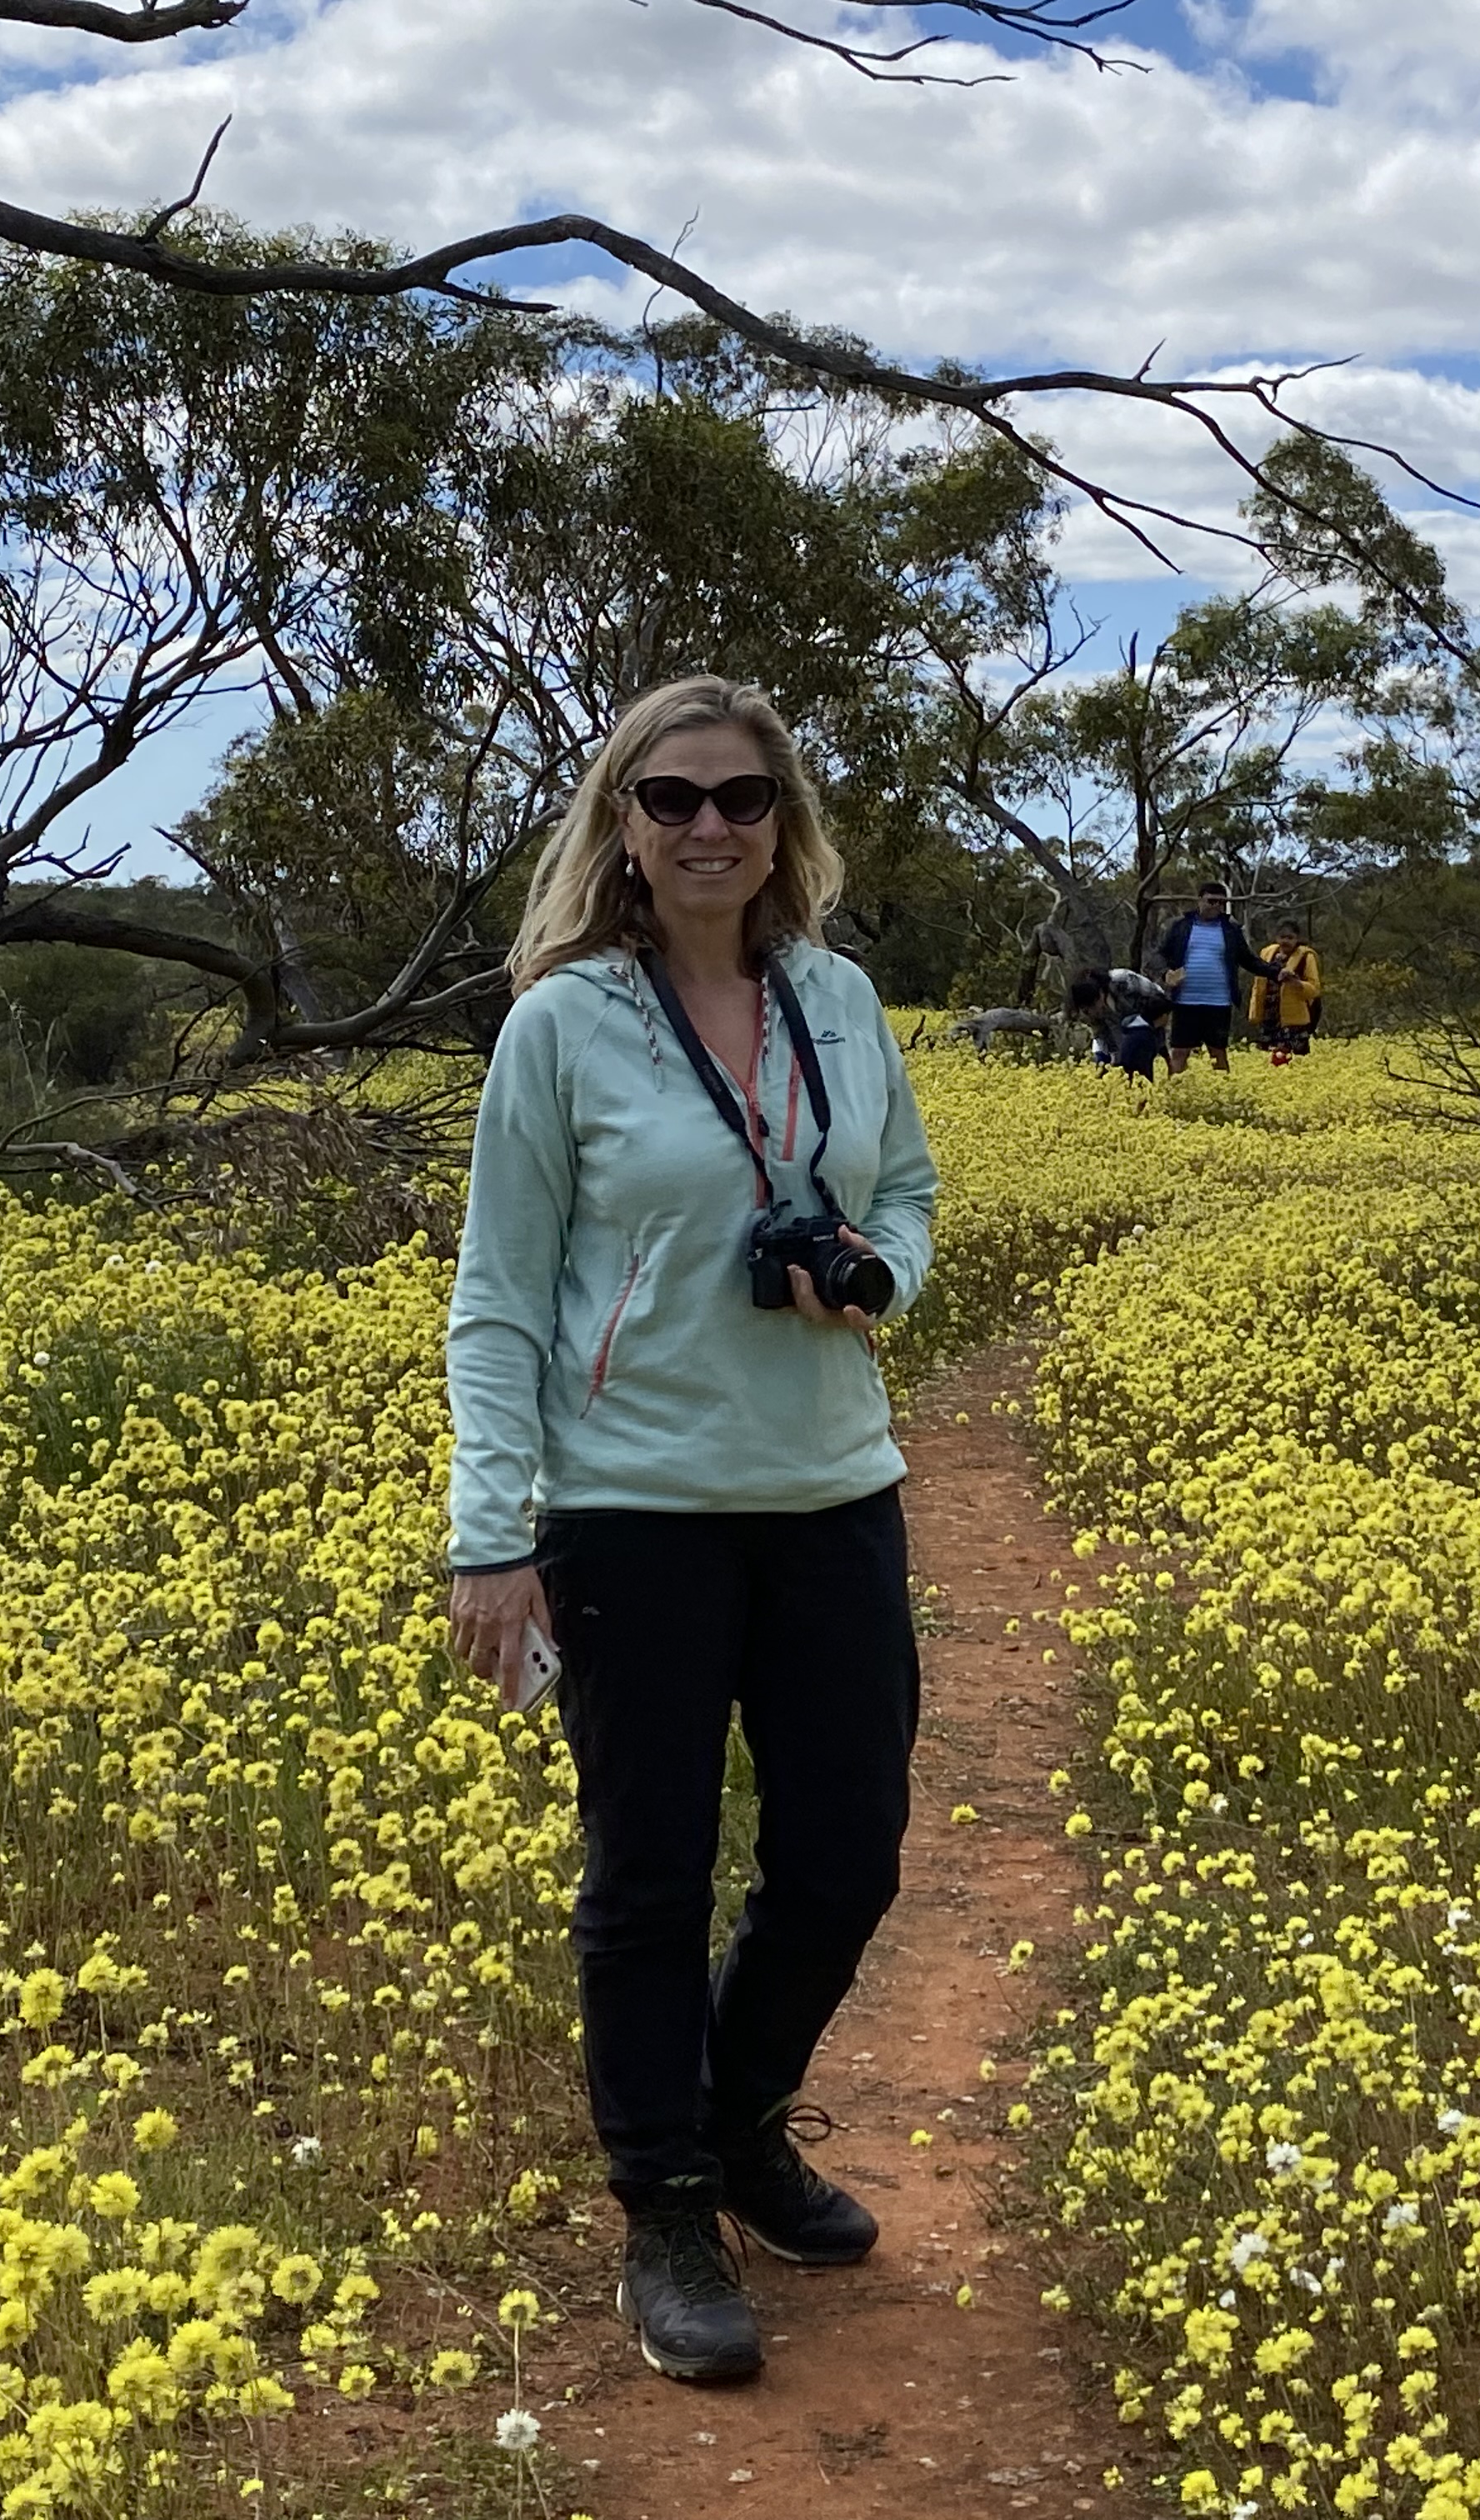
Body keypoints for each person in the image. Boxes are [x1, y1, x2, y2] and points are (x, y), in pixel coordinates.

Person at [443, 676, 938, 2388]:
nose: (711, 827)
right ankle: (662, 2203)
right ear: (623, 826)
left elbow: (911, 1194)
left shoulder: (842, 998)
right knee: (647, 1874)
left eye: (743, 798)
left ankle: (733, 2129)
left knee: (846, 1856)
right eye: (673, 800)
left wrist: (877, 1275)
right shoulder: (563, 1026)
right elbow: (498, 1300)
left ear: (785, 820)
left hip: (832, 1491)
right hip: (631, 1511)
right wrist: (488, 1533)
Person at [1157, 881, 1272, 1071]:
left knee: (1218, 1052)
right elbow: (1160, 955)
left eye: (1221, 903)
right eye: (1212, 901)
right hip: (1185, 1001)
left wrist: (1276, 972)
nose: (1216, 907)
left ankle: (1223, 1095)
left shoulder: (1231, 930)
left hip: (1219, 1002)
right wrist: (1165, 973)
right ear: (1199, 900)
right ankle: (1174, 1095)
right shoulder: (1181, 926)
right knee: (1179, 1052)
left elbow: (1249, 960)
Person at [1067, 962, 1172, 1078]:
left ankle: (1142, 1084)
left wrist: (1159, 1017)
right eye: (1086, 1011)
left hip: (1150, 1018)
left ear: (1100, 994)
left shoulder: (1123, 980)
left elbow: (1157, 993)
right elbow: (1104, 1039)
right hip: (1127, 1032)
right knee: (1116, 1062)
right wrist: (1112, 1063)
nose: (1092, 1013)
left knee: (1135, 1047)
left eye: (1093, 1007)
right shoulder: (1091, 1015)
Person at [1248, 922, 1322, 1058]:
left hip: (1294, 1022)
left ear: (1297, 939)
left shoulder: (1306, 957)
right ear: (1277, 938)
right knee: (1268, 1061)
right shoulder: (1267, 954)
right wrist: (1255, 1012)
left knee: (1294, 1061)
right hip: (1269, 1019)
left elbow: (1315, 989)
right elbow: (1258, 985)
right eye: (1282, 937)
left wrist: (1296, 983)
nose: (1286, 941)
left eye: (1290, 938)